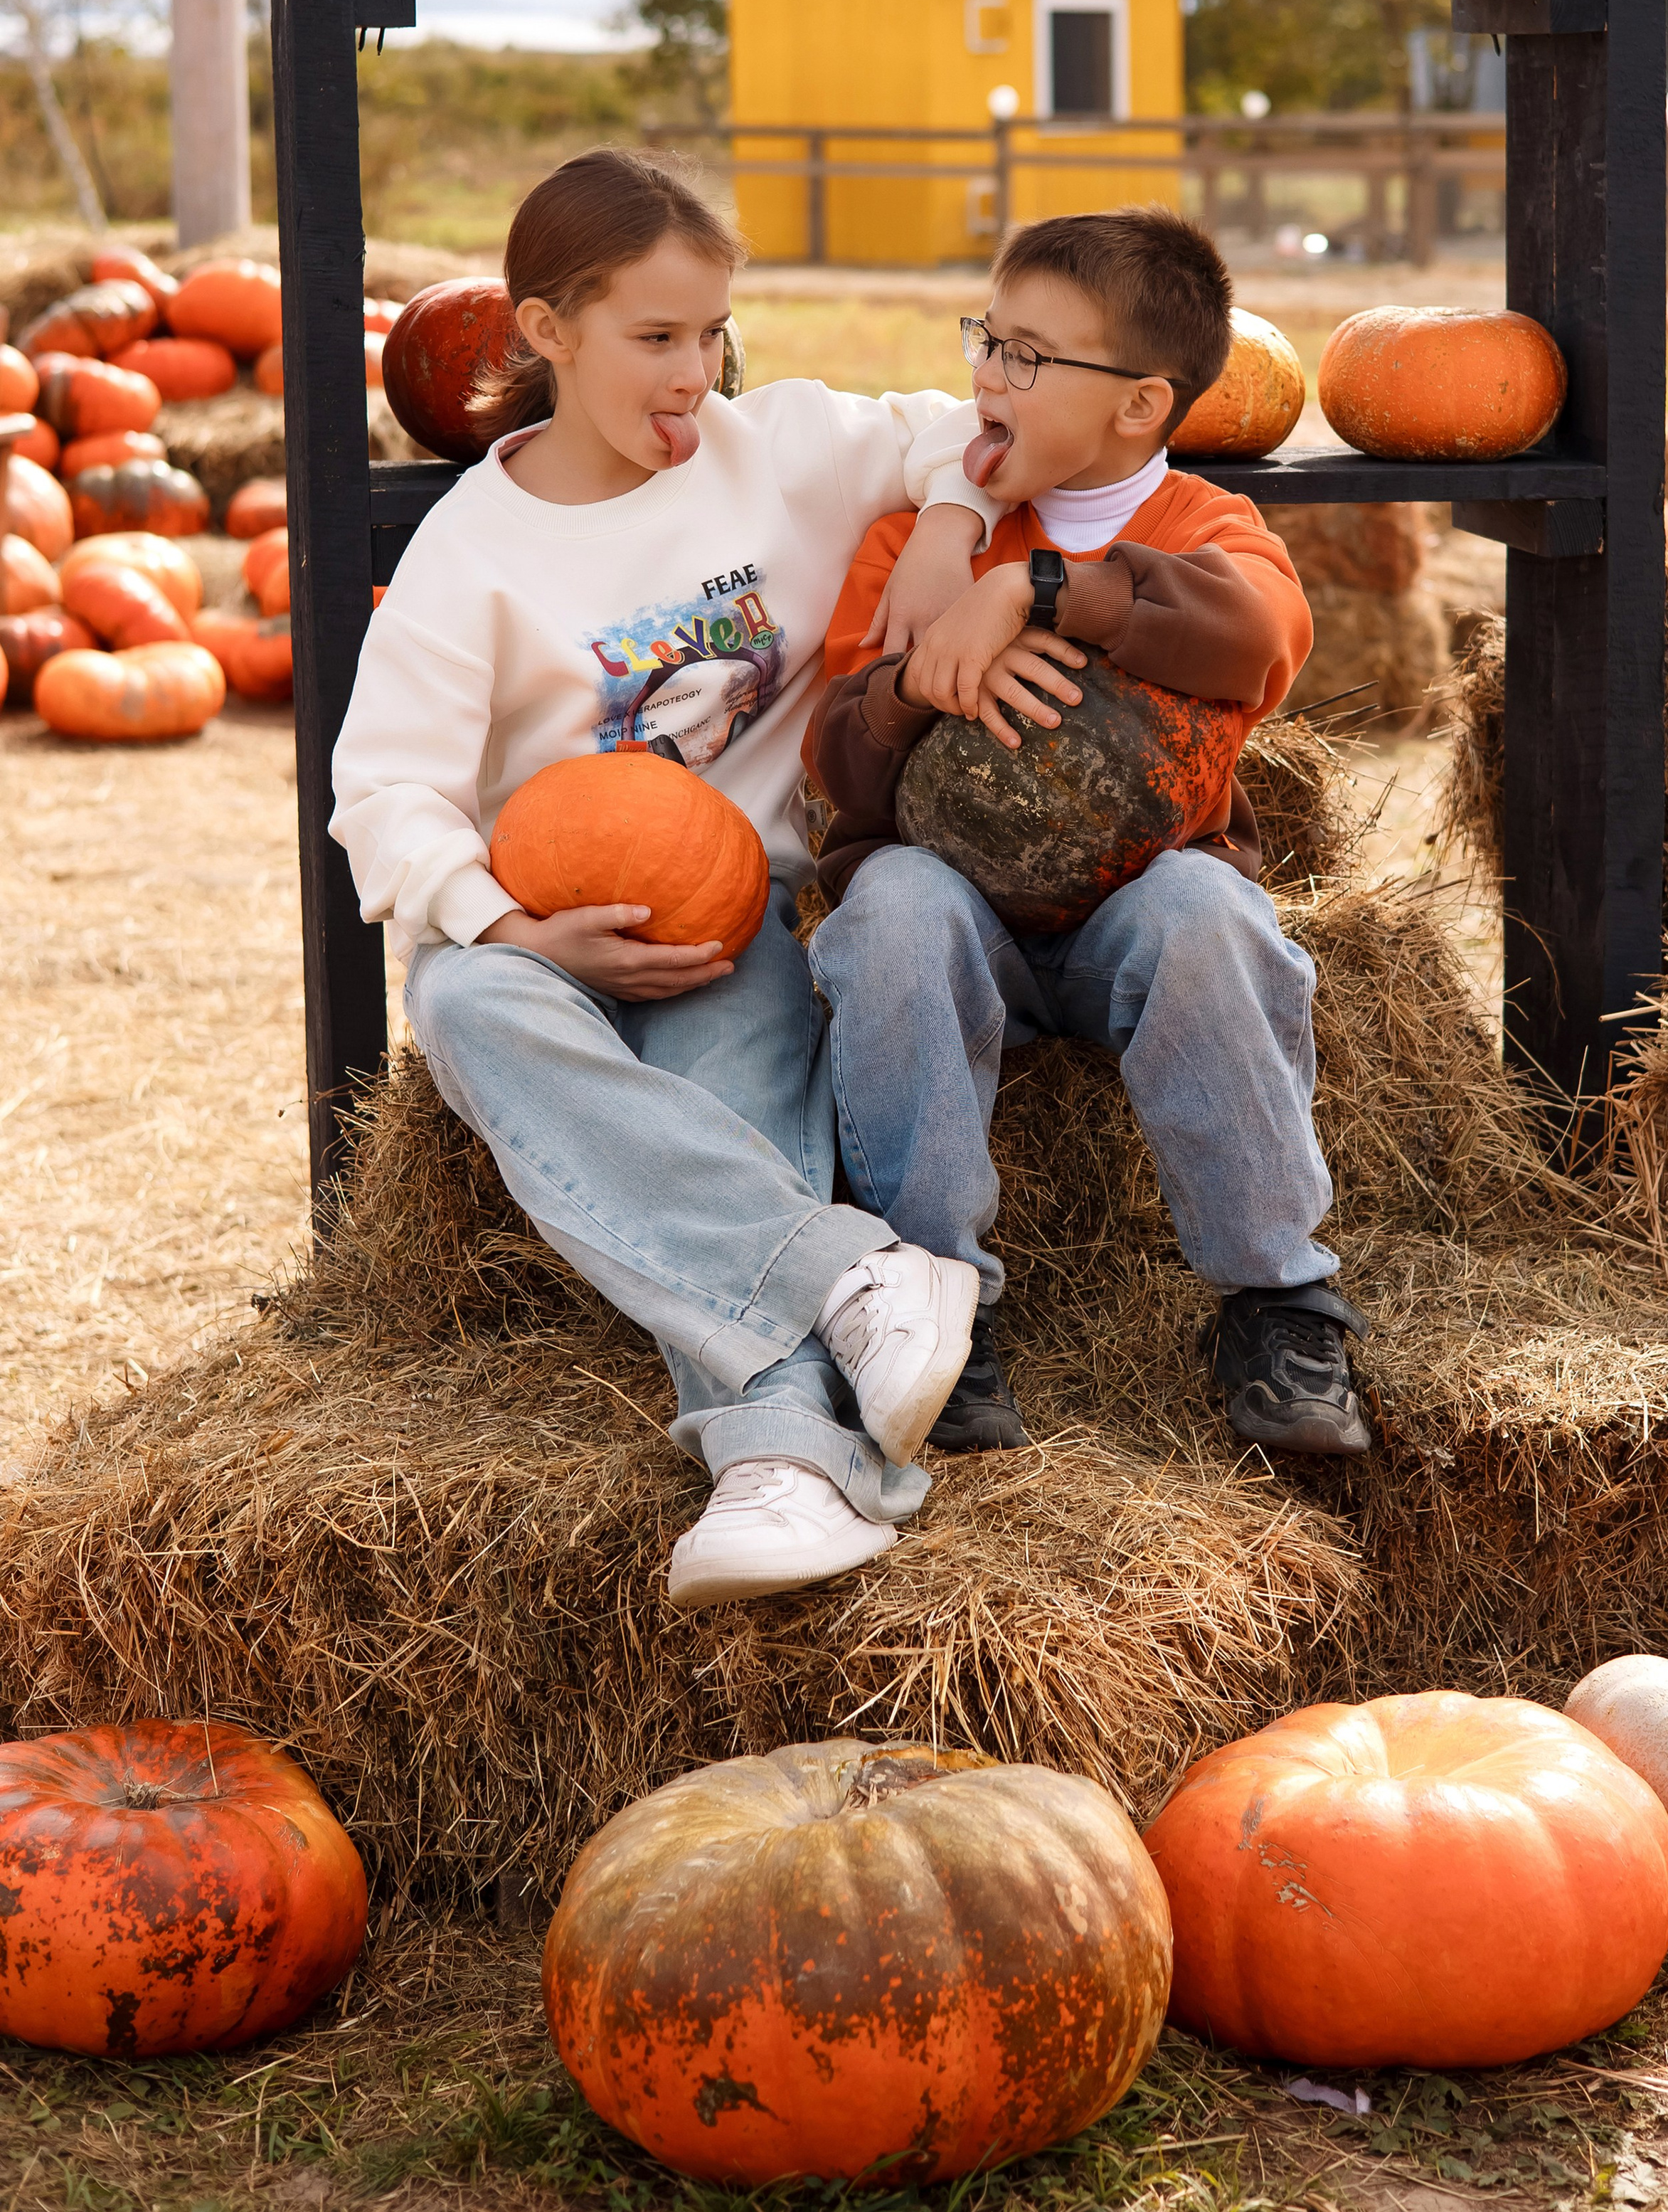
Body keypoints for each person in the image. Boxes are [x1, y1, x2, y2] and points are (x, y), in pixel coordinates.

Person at [331, 147, 1011, 1609]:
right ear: (546, 330)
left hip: (729, 915)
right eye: (653, 336)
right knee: (463, 1005)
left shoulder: (784, 452)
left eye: (710, 332)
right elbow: (382, 791)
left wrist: (953, 527)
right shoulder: (474, 551)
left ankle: (780, 1464)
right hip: (537, 924)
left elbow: (979, 429)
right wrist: (511, 925)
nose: (694, 373)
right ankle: (852, 1279)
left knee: (729, 1086)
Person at [806, 206, 1370, 1460]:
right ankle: (931, 1305)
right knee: (890, 905)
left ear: (1139, 404)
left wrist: (1040, 589)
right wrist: (918, 685)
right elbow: (835, 758)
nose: (986, 376)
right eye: (986, 340)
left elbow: (1261, 638)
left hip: (1134, 918)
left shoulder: (1207, 530)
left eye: (1027, 356)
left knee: (1211, 913)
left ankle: (1279, 1300)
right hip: (962, 919)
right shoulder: (915, 544)